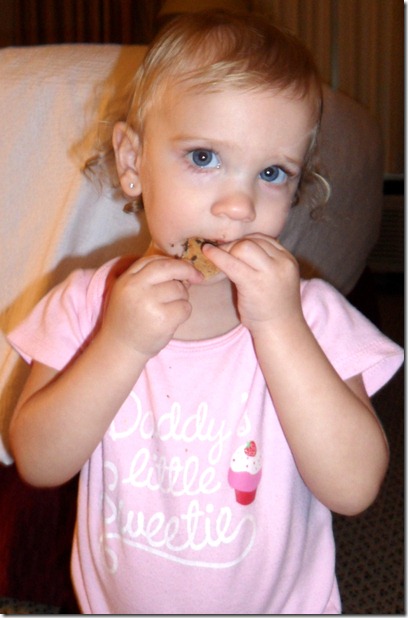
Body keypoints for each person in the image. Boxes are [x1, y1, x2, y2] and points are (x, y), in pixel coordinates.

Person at [6, 9, 403, 614]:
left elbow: (354, 488)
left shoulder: (311, 317)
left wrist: (279, 327)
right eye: (203, 158)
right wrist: (121, 345)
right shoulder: (87, 307)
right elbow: (37, 461)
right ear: (133, 162)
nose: (239, 205)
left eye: (272, 173)